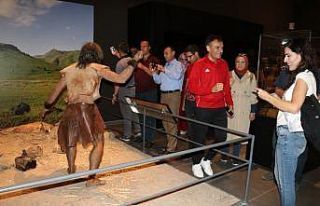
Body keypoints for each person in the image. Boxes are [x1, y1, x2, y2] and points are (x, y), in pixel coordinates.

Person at [41, 42, 141, 187]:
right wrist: (134, 62)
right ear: (97, 55)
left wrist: (46, 107)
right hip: (88, 109)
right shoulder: (97, 68)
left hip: (71, 109)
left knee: (71, 140)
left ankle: (71, 169)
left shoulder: (69, 70)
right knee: (99, 142)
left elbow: (52, 97)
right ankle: (91, 179)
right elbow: (121, 79)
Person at [256, 38, 318, 206]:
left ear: (300, 55)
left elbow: (293, 107)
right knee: (281, 176)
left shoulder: (303, 78)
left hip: (290, 135)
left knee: (286, 183)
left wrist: (268, 97)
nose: (285, 60)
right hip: (292, 134)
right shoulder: (304, 77)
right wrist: (279, 97)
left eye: (288, 55)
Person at [188, 35, 233, 178]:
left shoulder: (224, 64)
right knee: (199, 137)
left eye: (222, 48)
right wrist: (210, 89)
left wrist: (230, 103)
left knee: (222, 137)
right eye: (217, 48)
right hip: (203, 107)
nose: (220, 50)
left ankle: (206, 159)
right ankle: (195, 163)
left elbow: (226, 86)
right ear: (208, 48)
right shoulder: (199, 64)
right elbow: (192, 87)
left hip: (220, 107)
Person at [226, 53, 258, 165]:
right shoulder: (229, 74)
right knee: (227, 134)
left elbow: (254, 95)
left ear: (246, 63)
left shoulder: (251, 77)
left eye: (242, 62)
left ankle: (235, 158)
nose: (240, 64)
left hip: (244, 110)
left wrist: (253, 111)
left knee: (239, 134)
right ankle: (224, 156)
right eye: (237, 62)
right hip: (230, 110)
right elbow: (224, 93)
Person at [152, 46, 184, 153]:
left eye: (167, 53)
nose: (165, 55)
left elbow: (177, 76)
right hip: (164, 95)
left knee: (171, 121)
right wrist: (153, 73)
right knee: (165, 120)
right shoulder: (165, 65)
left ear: (173, 53)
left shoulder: (178, 65)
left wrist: (164, 69)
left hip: (173, 95)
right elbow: (158, 81)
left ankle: (171, 147)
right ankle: (170, 144)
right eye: (164, 53)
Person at [111, 42, 141, 142]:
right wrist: (117, 54)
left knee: (126, 113)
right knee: (133, 110)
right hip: (133, 89)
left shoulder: (119, 64)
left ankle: (127, 135)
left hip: (124, 90)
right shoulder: (132, 60)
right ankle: (138, 132)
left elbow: (118, 81)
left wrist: (115, 94)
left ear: (119, 51)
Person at [134, 40, 160, 147]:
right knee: (140, 115)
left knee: (150, 116)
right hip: (139, 91)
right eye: (141, 47)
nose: (142, 48)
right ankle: (143, 137)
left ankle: (150, 139)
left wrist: (142, 67)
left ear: (149, 47)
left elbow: (153, 74)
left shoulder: (153, 59)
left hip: (150, 91)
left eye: (145, 46)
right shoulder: (139, 60)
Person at [181, 45, 200, 140]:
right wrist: (184, 102)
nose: (188, 59)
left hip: (199, 102)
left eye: (190, 56)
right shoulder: (190, 66)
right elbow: (187, 84)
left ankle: (199, 153)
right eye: (187, 57)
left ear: (196, 53)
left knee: (199, 129)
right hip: (189, 101)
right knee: (191, 129)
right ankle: (192, 152)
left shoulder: (203, 65)